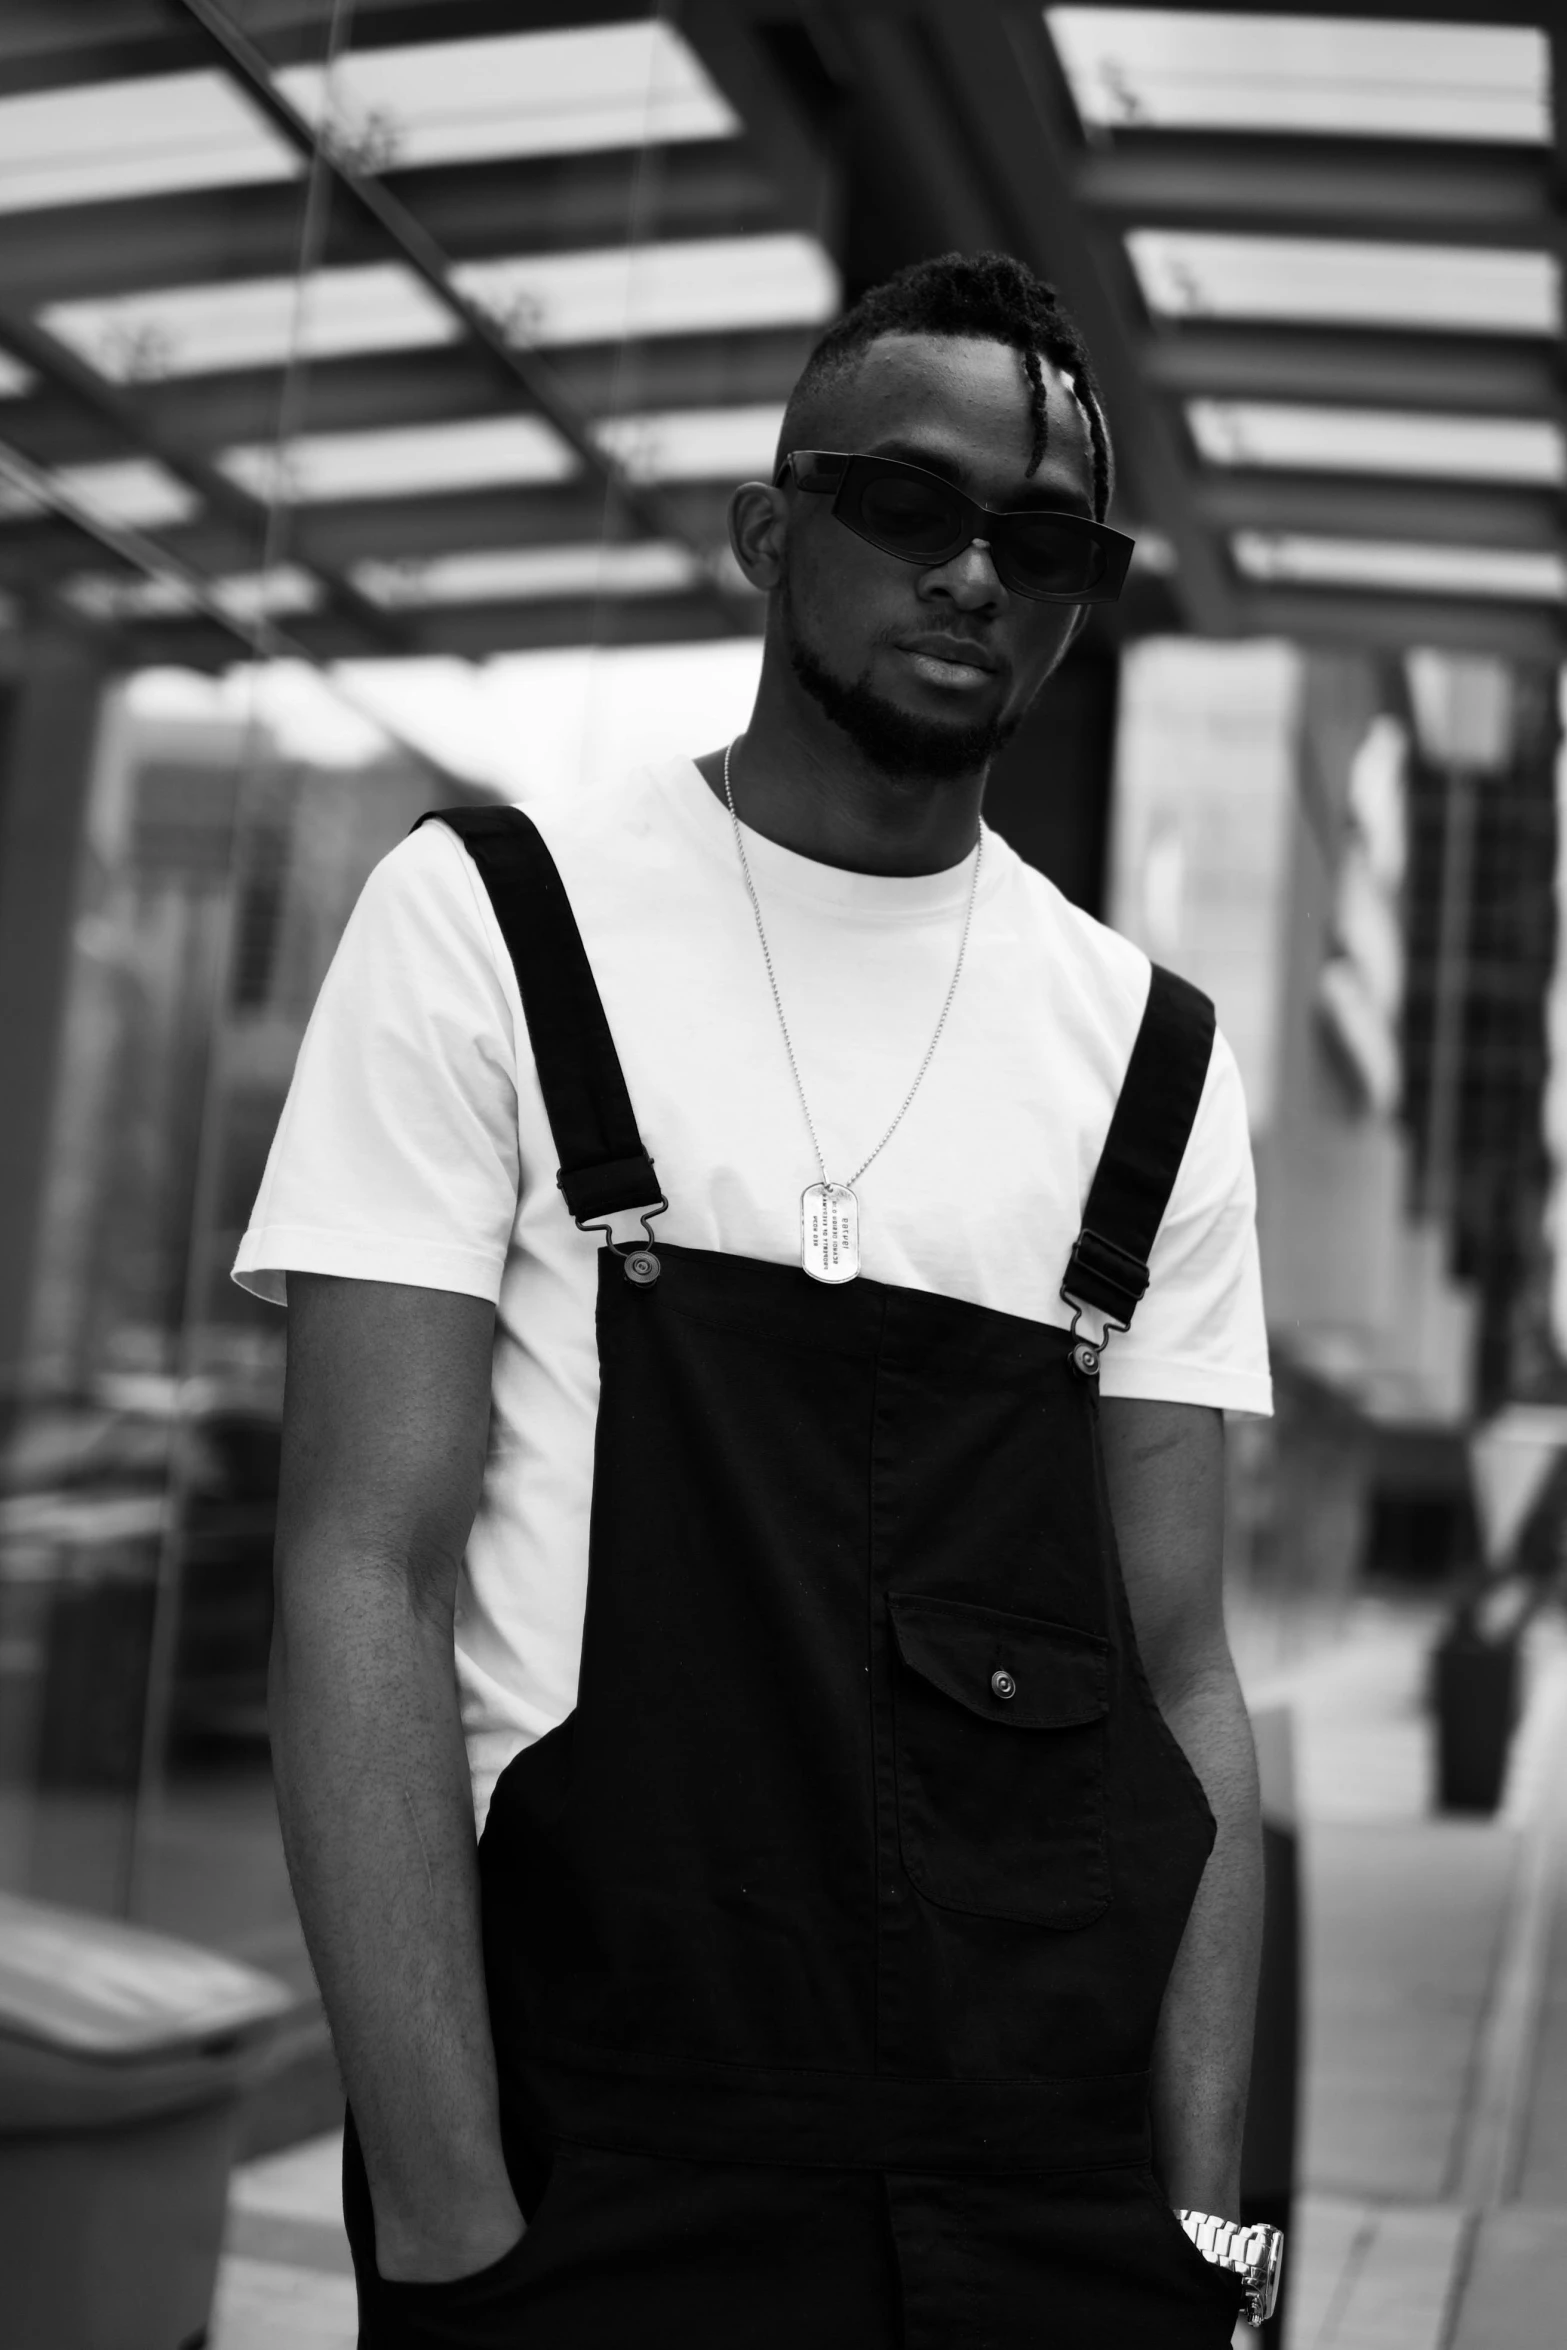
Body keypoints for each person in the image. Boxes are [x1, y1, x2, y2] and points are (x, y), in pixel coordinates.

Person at [238, 250, 1278, 2347]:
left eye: (1047, 539)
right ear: (766, 528)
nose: (976, 571)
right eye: (909, 505)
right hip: (595, 2179)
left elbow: (1185, 1680)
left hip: (1040, 2213)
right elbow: (361, 1570)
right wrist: (448, 2211)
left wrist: (1206, 2235)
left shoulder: (1148, 1054)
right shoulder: (493, 927)